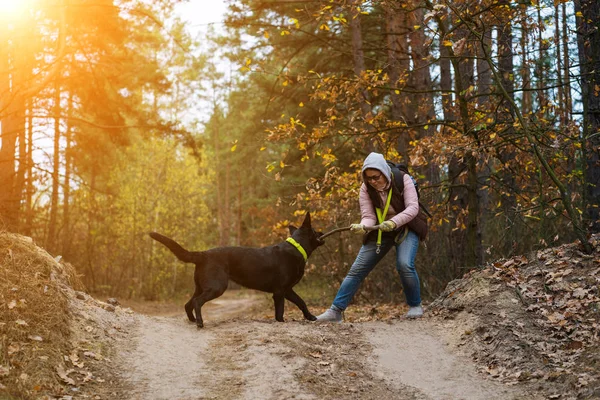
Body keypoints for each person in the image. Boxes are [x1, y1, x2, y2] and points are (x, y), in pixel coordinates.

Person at [316, 152, 427, 322]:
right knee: (357, 269)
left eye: (376, 177)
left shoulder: (402, 179)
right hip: (381, 229)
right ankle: (335, 311)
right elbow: (368, 215)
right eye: (369, 178)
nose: (373, 181)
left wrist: (394, 222)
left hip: (407, 226)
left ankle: (415, 306)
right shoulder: (366, 188)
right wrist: (363, 226)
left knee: (404, 264)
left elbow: (413, 208)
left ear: (384, 172)